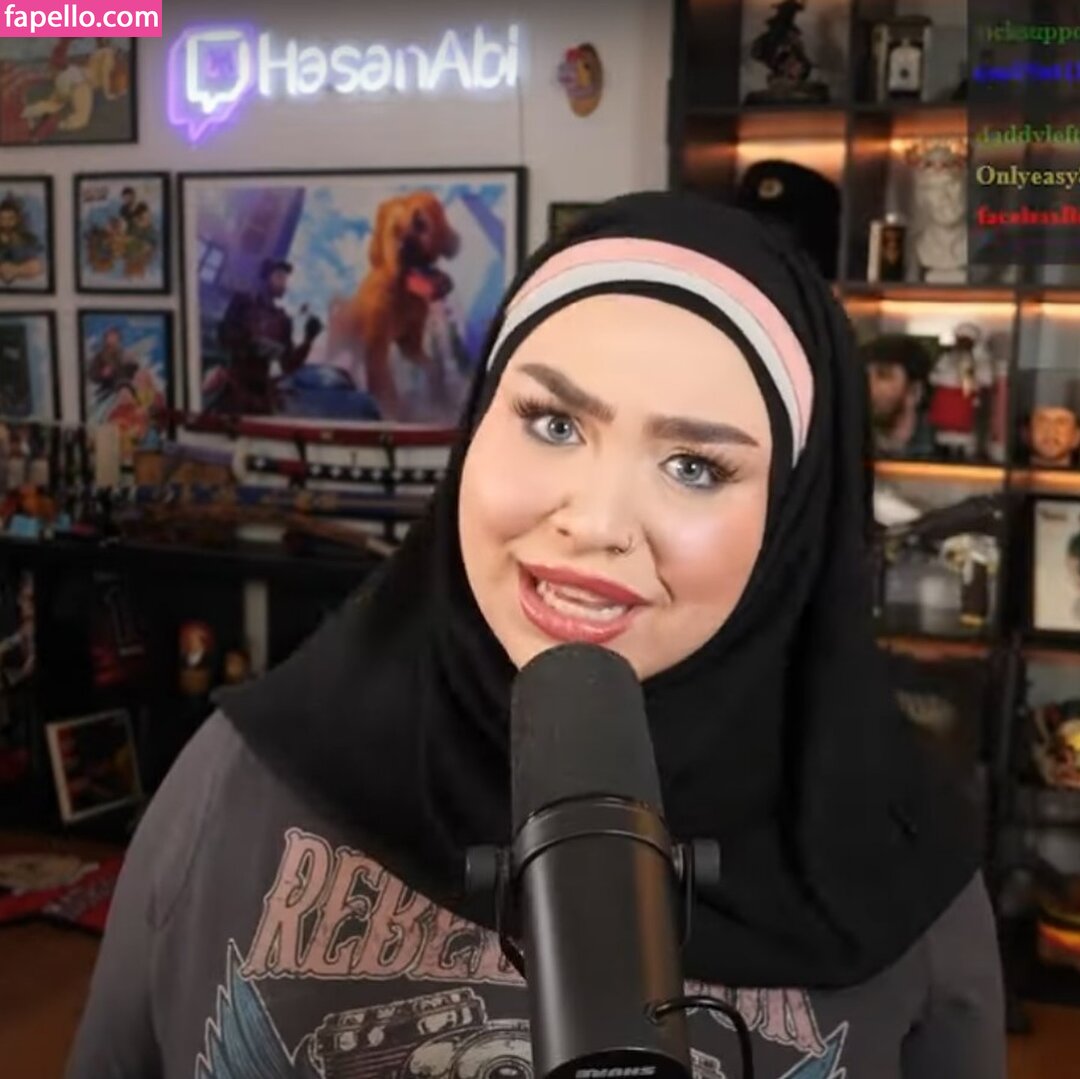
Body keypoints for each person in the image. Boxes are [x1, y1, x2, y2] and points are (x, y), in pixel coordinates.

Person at [65, 192, 1004, 1079]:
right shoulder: (237, 779)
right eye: (553, 422)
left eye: (694, 465)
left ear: (791, 522)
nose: (596, 522)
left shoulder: (898, 863)